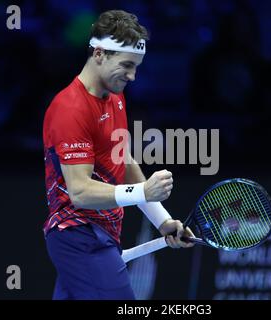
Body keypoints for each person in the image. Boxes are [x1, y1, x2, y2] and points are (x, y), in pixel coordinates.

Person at [42, 9, 195, 300]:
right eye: (126, 65)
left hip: (103, 235)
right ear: (99, 54)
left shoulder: (115, 97)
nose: (133, 76)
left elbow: (121, 159)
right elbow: (80, 191)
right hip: (79, 236)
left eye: (136, 67)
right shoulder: (69, 109)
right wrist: (142, 190)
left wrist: (163, 221)